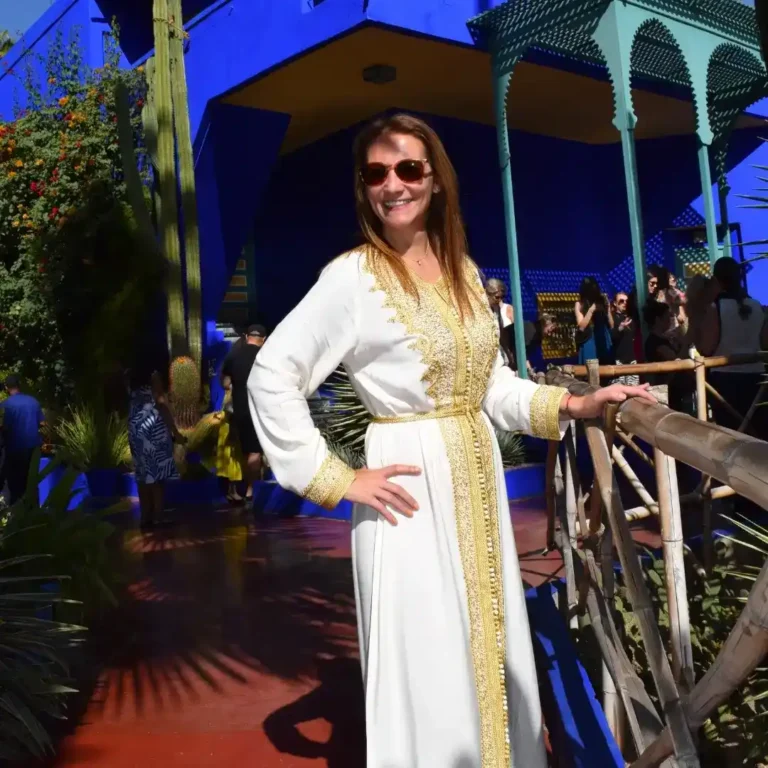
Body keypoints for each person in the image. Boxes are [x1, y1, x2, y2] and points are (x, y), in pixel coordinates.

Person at [247, 112, 655, 768]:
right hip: (406, 501)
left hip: (476, 490)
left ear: (436, 179)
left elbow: (491, 388)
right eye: (376, 173)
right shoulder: (353, 279)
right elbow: (272, 373)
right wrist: (335, 477)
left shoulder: (463, 274)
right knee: (428, 660)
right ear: (364, 187)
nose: (393, 184)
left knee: (488, 647)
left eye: (409, 168)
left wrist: (578, 403)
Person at [692, 256, 768, 436]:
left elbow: (707, 348)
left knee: (731, 435)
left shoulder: (715, 307)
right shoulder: (756, 306)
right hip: (756, 378)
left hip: (725, 381)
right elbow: (764, 344)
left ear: (717, 280)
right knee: (758, 433)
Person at [127, 366, 184, 528]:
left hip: (136, 430)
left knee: (142, 473)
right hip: (153, 431)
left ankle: (145, 516)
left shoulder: (131, 377)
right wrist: (175, 431)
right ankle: (158, 515)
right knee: (156, 476)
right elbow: (160, 403)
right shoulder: (154, 375)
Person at [221, 324, 267, 499]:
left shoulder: (234, 354)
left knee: (241, 449)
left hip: (240, 409)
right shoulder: (265, 356)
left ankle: (236, 488)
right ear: (264, 339)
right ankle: (252, 490)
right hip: (260, 409)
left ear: (247, 336)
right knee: (256, 452)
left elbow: (225, 383)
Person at [643, 301, 694, 414]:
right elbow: (677, 362)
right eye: (667, 317)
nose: (670, 320)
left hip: (679, 390)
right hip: (668, 394)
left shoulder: (666, 339)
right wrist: (686, 341)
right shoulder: (654, 343)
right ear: (657, 319)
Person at [0, 375, 45, 503]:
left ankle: (16, 513)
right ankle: (33, 512)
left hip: (14, 449)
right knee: (31, 481)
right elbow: (43, 424)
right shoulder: (33, 401)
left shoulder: (6, 404)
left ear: (7, 388)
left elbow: (4, 427)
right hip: (33, 449)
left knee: (15, 484)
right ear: (19, 386)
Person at [575, 276, 615, 365]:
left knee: (606, 367)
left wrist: (607, 310)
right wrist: (591, 310)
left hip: (603, 337)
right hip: (589, 338)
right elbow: (581, 327)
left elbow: (612, 325)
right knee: (591, 367)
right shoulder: (579, 304)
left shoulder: (601, 301)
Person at [485, 278, 516, 368]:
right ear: (487, 294)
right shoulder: (480, 309)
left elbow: (500, 332)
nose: (499, 300)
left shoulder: (496, 308)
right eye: (497, 297)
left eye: (502, 297)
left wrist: (508, 352)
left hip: (498, 348)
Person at [611, 291, 639, 386]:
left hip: (631, 359)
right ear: (615, 303)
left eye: (626, 301)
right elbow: (613, 336)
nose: (624, 303)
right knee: (620, 391)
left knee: (634, 389)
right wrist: (620, 327)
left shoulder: (630, 318)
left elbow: (633, 337)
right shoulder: (612, 318)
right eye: (621, 301)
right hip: (618, 360)